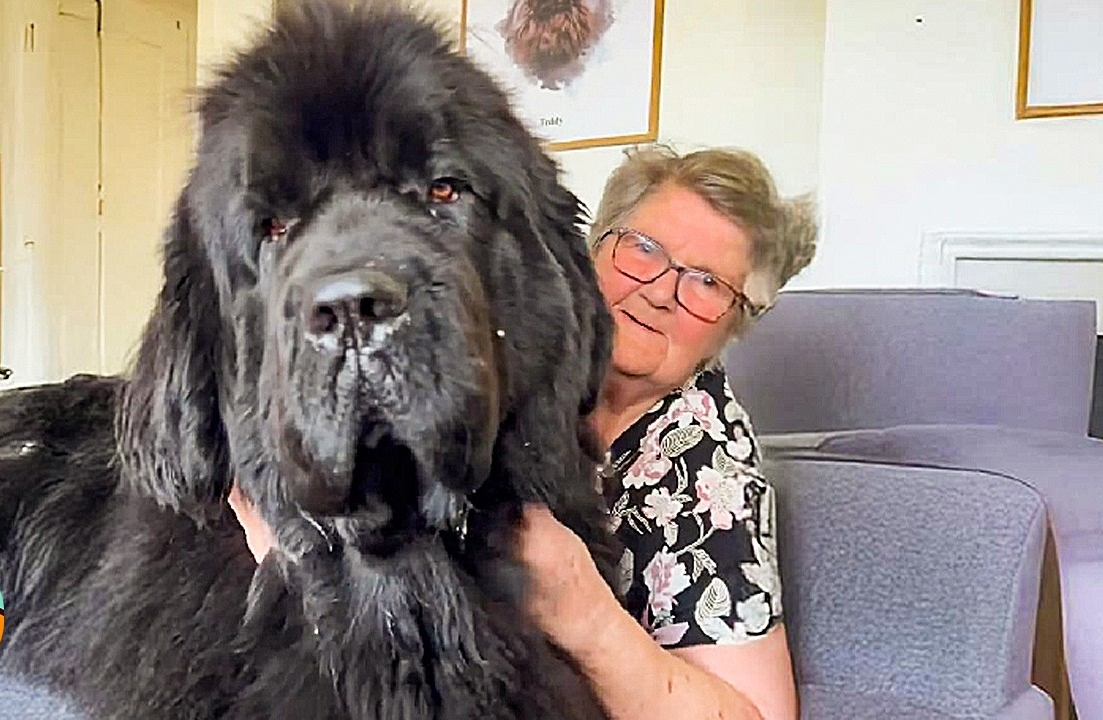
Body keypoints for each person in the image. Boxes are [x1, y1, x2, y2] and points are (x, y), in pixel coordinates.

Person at [229, 144, 817, 720]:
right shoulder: (509, 355)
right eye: (643, 249)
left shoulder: (710, 474)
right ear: (593, 248)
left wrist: (587, 616)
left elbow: (757, 714)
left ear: (735, 324)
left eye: (708, 283)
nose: (662, 291)